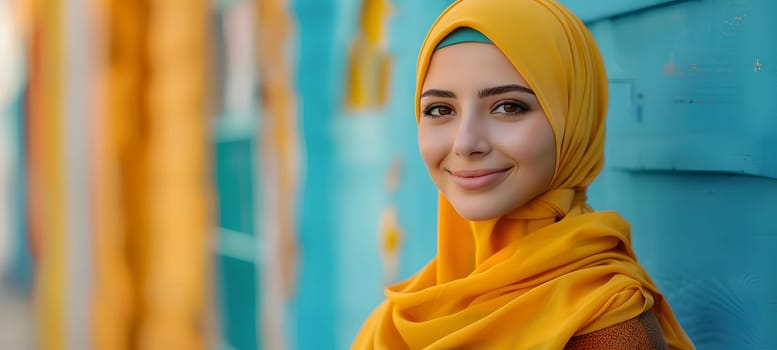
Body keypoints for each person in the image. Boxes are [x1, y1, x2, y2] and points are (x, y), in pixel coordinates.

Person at [352, 0, 696, 349]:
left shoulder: (602, 323)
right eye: (440, 109)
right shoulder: (402, 317)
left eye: (508, 107)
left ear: (573, 122)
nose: (466, 143)